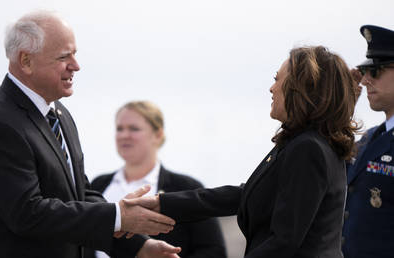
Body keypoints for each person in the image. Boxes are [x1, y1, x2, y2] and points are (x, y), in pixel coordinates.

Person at [0, 10, 181, 258]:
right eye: (64, 57)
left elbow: (80, 195)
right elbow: (28, 214)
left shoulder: (58, 113)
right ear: (26, 61)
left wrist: (139, 246)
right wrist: (118, 216)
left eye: (74, 54)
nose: (76, 66)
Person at [127, 46, 359, 257]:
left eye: (277, 79)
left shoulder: (308, 148)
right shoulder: (303, 144)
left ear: (301, 88)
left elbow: (284, 242)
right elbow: (245, 194)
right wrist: (163, 203)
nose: (271, 88)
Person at [84, 101, 227, 258]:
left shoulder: (186, 187)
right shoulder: (98, 185)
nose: (124, 135)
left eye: (134, 128)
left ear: (158, 135)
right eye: (120, 129)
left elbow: (214, 251)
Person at [342, 25, 394, 258]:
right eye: (364, 71)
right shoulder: (368, 138)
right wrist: (344, 108)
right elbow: (329, 173)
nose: (364, 81)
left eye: (376, 71)